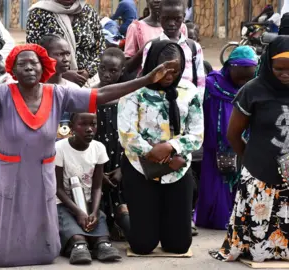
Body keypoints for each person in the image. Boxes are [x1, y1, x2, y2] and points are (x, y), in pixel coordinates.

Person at [0, 39, 176, 266]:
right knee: (2, 254)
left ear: (43, 67)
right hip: (10, 174)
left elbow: (99, 95)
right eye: (22, 64)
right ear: (13, 69)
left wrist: (145, 79)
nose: (29, 67)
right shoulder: (2, 93)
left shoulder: (57, 93)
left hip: (42, 173)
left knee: (43, 253)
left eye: (34, 63)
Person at [118, 40, 203, 255]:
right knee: (143, 245)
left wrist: (171, 147)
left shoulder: (189, 91)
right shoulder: (134, 90)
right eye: (163, 69)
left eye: (174, 70)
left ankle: (164, 225)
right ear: (152, 64)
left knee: (178, 245)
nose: (168, 75)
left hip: (177, 166)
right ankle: (123, 216)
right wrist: (150, 152)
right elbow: (127, 134)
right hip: (141, 167)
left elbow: (196, 134)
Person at [209, 36, 289, 262]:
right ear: (268, 65)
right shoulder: (253, 90)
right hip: (259, 171)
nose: (285, 74)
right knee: (258, 221)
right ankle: (258, 249)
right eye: (279, 69)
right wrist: (251, 162)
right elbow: (233, 134)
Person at [195, 46, 257, 230]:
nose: (244, 82)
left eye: (249, 77)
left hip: (243, 144)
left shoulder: (255, 89)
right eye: (240, 77)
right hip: (215, 145)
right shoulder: (211, 85)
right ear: (229, 68)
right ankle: (213, 219)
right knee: (215, 183)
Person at [55, 112, 121, 265]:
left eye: (93, 124)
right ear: (71, 127)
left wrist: (95, 211)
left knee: (99, 224)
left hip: (88, 201)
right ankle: (78, 244)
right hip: (63, 203)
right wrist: (78, 211)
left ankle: (101, 244)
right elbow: (57, 188)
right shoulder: (59, 148)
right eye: (83, 124)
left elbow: (97, 186)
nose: (89, 129)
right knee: (71, 228)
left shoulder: (98, 148)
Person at [92, 48, 130, 241]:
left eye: (113, 70)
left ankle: (120, 223)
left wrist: (123, 168)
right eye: (103, 68)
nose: (106, 74)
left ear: (122, 71)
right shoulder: (89, 96)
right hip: (95, 160)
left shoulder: (127, 99)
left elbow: (132, 138)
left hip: (120, 159)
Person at [26, 0, 105, 87]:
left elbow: (101, 48)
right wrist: (61, 74)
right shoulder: (38, 13)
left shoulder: (88, 12)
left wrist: (88, 72)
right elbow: (33, 52)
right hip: (52, 82)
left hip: (89, 81)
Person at [140, 0, 205, 99]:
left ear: (183, 17)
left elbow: (200, 81)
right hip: (159, 104)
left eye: (177, 19)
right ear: (159, 17)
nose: (171, 23)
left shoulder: (194, 47)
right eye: (166, 19)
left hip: (187, 104)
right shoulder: (151, 47)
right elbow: (148, 78)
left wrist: (197, 103)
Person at [40, 34, 80, 140]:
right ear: (45, 56)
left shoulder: (74, 89)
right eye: (60, 54)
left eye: (68, 54)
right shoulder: (34, 89)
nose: (66, 59)